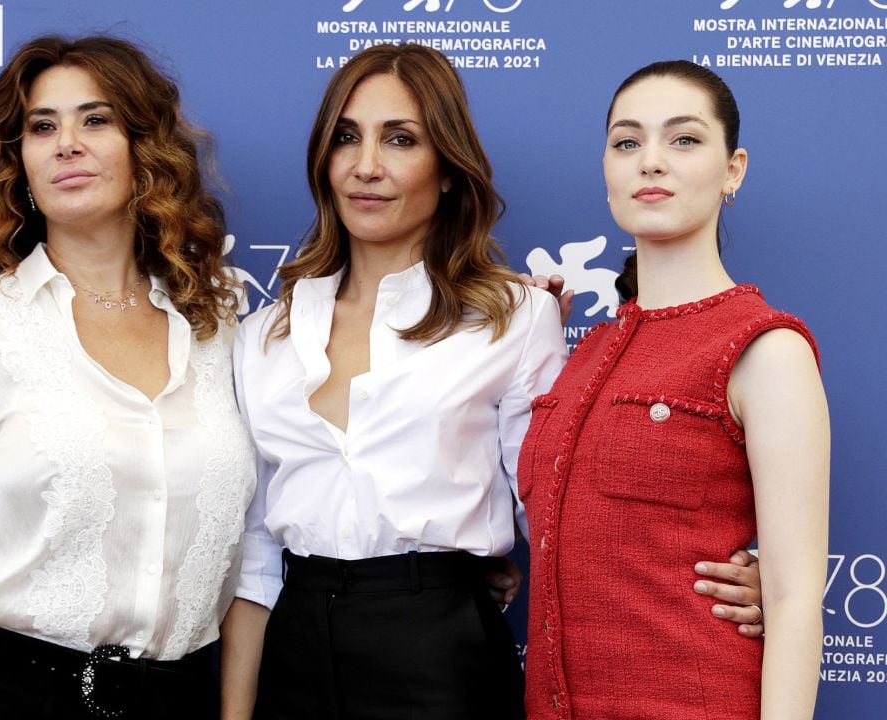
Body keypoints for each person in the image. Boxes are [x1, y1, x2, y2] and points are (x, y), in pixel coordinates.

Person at [220, 44, 766, 720]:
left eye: (401, 139)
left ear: (447, 168)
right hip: (293, 647)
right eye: (346, 138)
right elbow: (255, 554)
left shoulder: (516, 318)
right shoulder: (261, 336)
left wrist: (744, 580)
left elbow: (560, 510)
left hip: (440, 650)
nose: (367, 166)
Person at [0, 35, 255, 720]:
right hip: (10, 693)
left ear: (144, 147)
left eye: (96, 120)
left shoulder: (220, 321)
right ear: (20, 160)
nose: (66, 143)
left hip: (177, 696)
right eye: (41, 126)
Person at [517, 60, 829, 719]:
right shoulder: (582, 354)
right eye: (627, 142)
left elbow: (796, 597)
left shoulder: (766, 347)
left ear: (733, 169)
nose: (650, 161)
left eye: (683, 140)